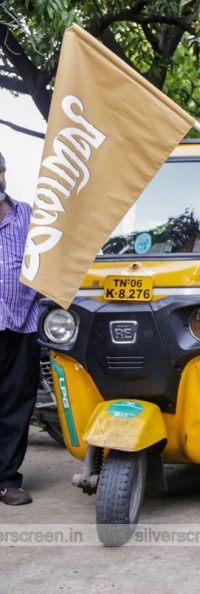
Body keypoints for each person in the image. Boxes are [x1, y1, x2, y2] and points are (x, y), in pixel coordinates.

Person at [0, 151, 41, 506]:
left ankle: (7, 480)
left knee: (16, 405)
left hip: (22, 325)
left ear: (3, 175)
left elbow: (51, 256)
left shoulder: (27, 216)